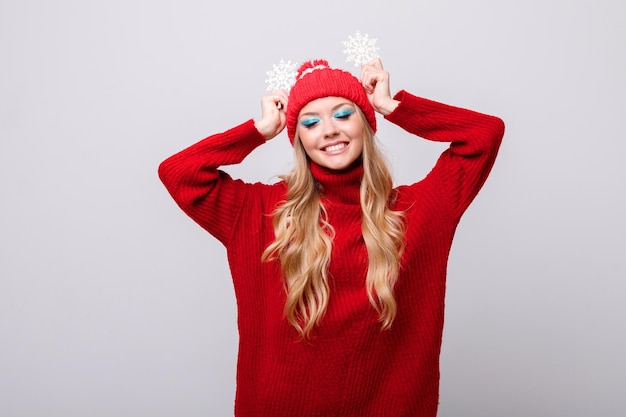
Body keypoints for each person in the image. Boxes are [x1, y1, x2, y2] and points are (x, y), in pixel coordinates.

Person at [158, 57, 505, 417]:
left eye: (343, 114)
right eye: (310, 122)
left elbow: (484, 134)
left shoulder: (418, 211)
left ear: (366, 124)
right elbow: (179, 173)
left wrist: (392, 106)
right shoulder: (258, 212)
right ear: (298, 138)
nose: (329, 130)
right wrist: (259, 130)